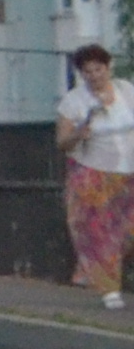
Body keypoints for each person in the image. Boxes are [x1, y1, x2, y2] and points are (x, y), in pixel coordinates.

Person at [58, 45, 134, 310]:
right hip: (93, 176)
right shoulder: (74, 101)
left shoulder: (126, 90)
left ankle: (104, 275)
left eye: (98, 69)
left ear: (108, 67)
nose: (94, 75)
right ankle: (108, 289)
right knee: (100, 232)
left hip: (128, 173)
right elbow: (62, 142)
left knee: (126, 232)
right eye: (87, 71)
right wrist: (80, 132)